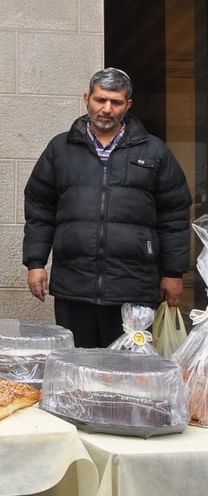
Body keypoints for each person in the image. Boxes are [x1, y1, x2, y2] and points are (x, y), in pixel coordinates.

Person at [23, 67, 192, 348]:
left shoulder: (153, 151)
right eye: (100, 100)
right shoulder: (60, 149)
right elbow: (40, 208)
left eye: (115, 102)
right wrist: (36, 262)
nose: (107, 109)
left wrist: (174, 272)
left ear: (128, 105)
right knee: (77, 367)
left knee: (127, 373)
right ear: (87, 98)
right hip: (74, 283)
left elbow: (174, 214)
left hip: (133, 285)